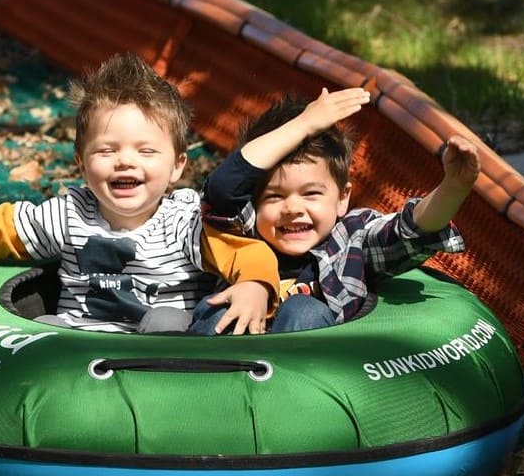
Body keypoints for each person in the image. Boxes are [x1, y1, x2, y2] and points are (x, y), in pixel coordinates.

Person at [0, 53, 276, 334]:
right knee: (41, 333)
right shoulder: (69, 214)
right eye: (107, 150)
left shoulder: (184, 222)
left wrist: (256, 287)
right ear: (82, 164)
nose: (125, 162)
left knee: (167, 321)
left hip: (159, 355)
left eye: (146, 151)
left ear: (177, 167)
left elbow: (243, 251)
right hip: (77, 351)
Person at [193, 87, 480, 333]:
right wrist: (303, 125)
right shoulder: (245, 232)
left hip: (303, 379)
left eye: (311, 194)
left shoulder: (350, 239)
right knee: (215, 310)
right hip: (231, 365)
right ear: (254, 201)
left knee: (304, 310)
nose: (293, 208)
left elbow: (410, 230)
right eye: (274, 196)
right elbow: (222, 190)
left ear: (343, 198)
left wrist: (453, 188)